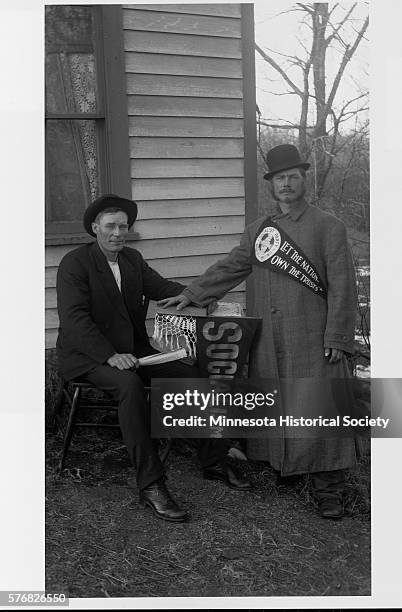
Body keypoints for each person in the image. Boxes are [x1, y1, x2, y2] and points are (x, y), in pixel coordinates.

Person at [159, 144, 359, 519]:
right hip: (270, 337)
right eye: (279, 178)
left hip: (312, 336)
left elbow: (343, 287)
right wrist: (190, 294)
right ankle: (288, 467)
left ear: (304, 180)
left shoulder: (328, 227)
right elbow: (231, 267)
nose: (286, 184)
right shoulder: (260, 231)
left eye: (293, 177)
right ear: (271, 184)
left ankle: (328, 490)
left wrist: (337, 337)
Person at [56, 194, 251, 524]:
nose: (118, 232)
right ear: (95, 228)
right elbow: (75, 320)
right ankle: (151, 484)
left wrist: (203, 300)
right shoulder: (75, 263)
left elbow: (162, 287)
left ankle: (214, 462)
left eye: (123, 226)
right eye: (110, 226)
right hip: (88, 356)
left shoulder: (132, 259)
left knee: (192, 376)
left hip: (134, 351)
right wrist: (110, 355)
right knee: (129, 386)